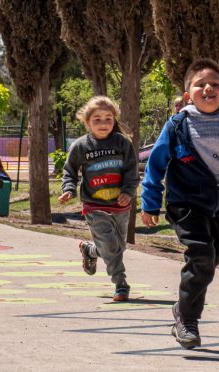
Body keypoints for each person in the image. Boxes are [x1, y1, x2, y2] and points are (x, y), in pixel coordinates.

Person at [140, 58, 219, 349]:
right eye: (200, 84)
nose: (208, 88)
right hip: (185, 204)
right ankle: (187, 320)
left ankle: (182, 310)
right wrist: (150, 202)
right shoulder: (178, 125)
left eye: (215, 84)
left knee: (211, 261)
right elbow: (156, 165)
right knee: (202, 256)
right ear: (187, 95)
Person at [58, 96, 139, 302]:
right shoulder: (81, 146)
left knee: (118, 247)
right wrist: (68, 189)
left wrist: (127, 192)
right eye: (97, 119)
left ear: (114, 120)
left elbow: (131, 171)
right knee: (111, 247)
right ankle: (121, 284)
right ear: (87, 122)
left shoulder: (122, 143)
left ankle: (90, 250)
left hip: (121, 205)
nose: (103, 124)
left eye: (108, 119)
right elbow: (69, 171)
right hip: (94, 206)